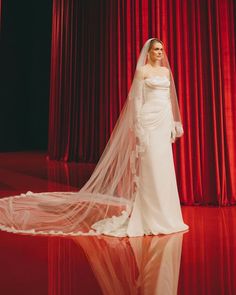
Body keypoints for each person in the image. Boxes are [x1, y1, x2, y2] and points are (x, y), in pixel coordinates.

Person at [0, 38, 189, 237]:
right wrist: (139, 126)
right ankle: (149, 216)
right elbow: (136, 100)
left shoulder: (166, 72)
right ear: (148, 52)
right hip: (148, 121)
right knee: (150, 167)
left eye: (161, 49)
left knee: (163, 166)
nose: (160, 52)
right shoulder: (143, 72)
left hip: (161, 122)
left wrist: (172, 123)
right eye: (156, 49)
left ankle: (166, 215)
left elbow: (169, 100)